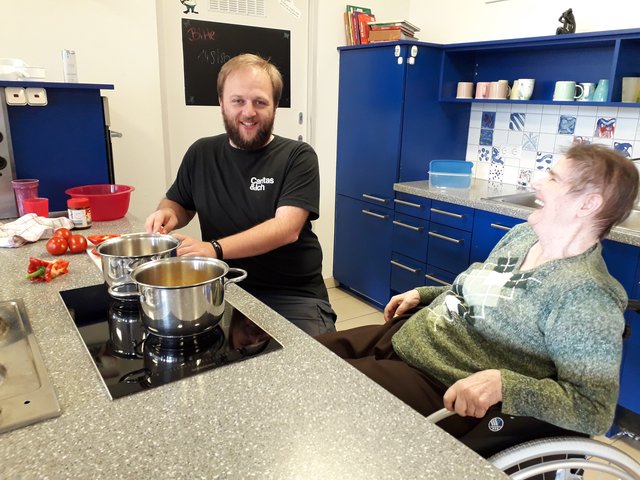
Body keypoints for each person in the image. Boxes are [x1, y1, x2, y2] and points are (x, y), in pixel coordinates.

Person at [317, 144, 639, 437]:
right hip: (410, 336)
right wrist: (426, 294)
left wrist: (503, 386)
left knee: (320, 393)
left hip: (441, 382)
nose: (537, 182)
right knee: (304, 354)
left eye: (553, 178)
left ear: (588, 204)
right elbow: (483, 288)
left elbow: (593, 411)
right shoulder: (523, 235)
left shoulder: (586, 296)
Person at [145, 53, 336, 336]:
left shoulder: (298, 156)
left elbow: (287, 228)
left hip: (294, 298)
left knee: (315, 374)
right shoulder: (201, 153)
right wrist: (168, 213)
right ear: (221, 102)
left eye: (260, 102)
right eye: (238, 101)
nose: (248, 112)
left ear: (275, 107)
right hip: (225, 289)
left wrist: (213, 249)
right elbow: (179, 203)